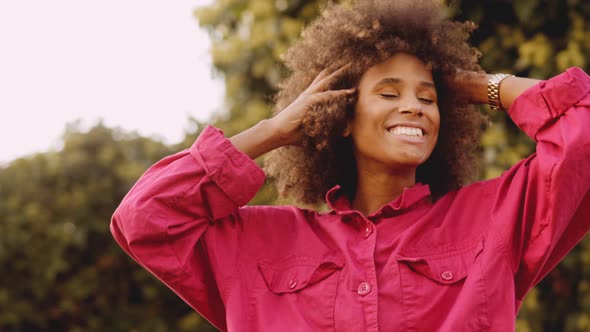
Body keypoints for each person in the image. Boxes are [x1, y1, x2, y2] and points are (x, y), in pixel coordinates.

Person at [110, 0, 590, 331]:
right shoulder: (258, 246)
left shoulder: (495, 219)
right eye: (388, 93)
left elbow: (582, 133)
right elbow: (145, 219)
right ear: (340, 116)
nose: (414, 107)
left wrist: (474, 84)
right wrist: (274, 130)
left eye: (428, 98)